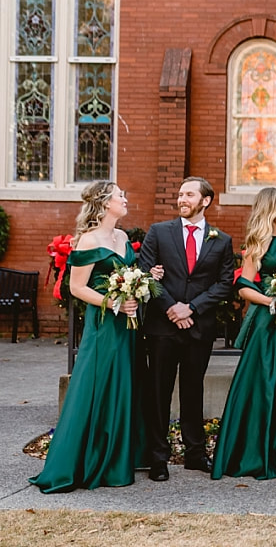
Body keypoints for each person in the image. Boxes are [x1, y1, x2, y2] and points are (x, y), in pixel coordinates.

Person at [31, 182, 153, 492]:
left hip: (127, 326)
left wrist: (143, 286)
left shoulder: (123, 238)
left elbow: (127, 276)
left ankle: (117, 459)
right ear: (104, 202)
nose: (125, 199)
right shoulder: (87, 241)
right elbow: (76, 288)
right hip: (103, 326)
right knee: (97, 385)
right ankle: (88, 459)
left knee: (123, 385)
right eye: (119, 195)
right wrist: (113, 302)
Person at [139, 176, 236, 481]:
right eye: (181, 195)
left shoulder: (220, 240)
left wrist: (191, 308)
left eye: (189, 195)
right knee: (159, 392)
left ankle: (195, 454)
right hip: (163, 326)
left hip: (198, 326)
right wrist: (171, 307)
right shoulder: (158, 232)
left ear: (205, 201)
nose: (182, 199)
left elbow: (224, 284)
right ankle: (158, 458)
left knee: (193, 390)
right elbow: (145, 272)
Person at [211, 187, 276, 480]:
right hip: (269, 323)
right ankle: (255, 450)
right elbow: (243, 286)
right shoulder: (257, 244)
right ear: (271, 210)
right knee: (263, 382)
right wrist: (272, 300)